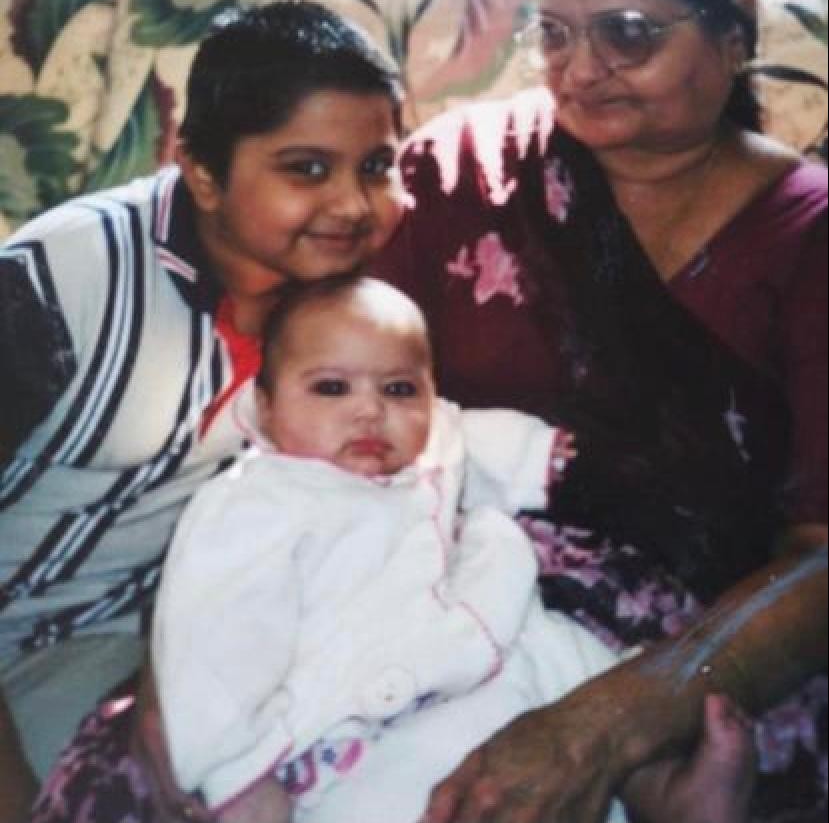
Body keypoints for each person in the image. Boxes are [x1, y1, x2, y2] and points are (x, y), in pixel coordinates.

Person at [368, 0, 828, 823]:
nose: (578, 72)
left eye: (627, 34)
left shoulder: (807, 240)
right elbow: (337, 389)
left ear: (733, 30)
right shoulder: (456, 177)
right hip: (444, 602)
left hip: (688, 656)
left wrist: (607, 721)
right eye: (554, 33)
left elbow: (818, 552)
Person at [40, 275, 753, 823]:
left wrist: (544, 455)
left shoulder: (433, 437)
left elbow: (473, 434)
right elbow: (211, 639)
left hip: (479, 644)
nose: (369, 408)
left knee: (567, 655)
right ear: (264, 407)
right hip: (353, 719)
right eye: (330, 387)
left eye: (398, 386)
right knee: (401, 797)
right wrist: (236, 776)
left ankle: (661, 786)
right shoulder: (254, 505)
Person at [0, 0, 407, 823]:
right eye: (306, 168)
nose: (353, 205)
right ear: (204, 171)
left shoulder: (353, 301)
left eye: (374, 166)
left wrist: (166, 680)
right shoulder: (56, 288)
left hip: (141, 639)